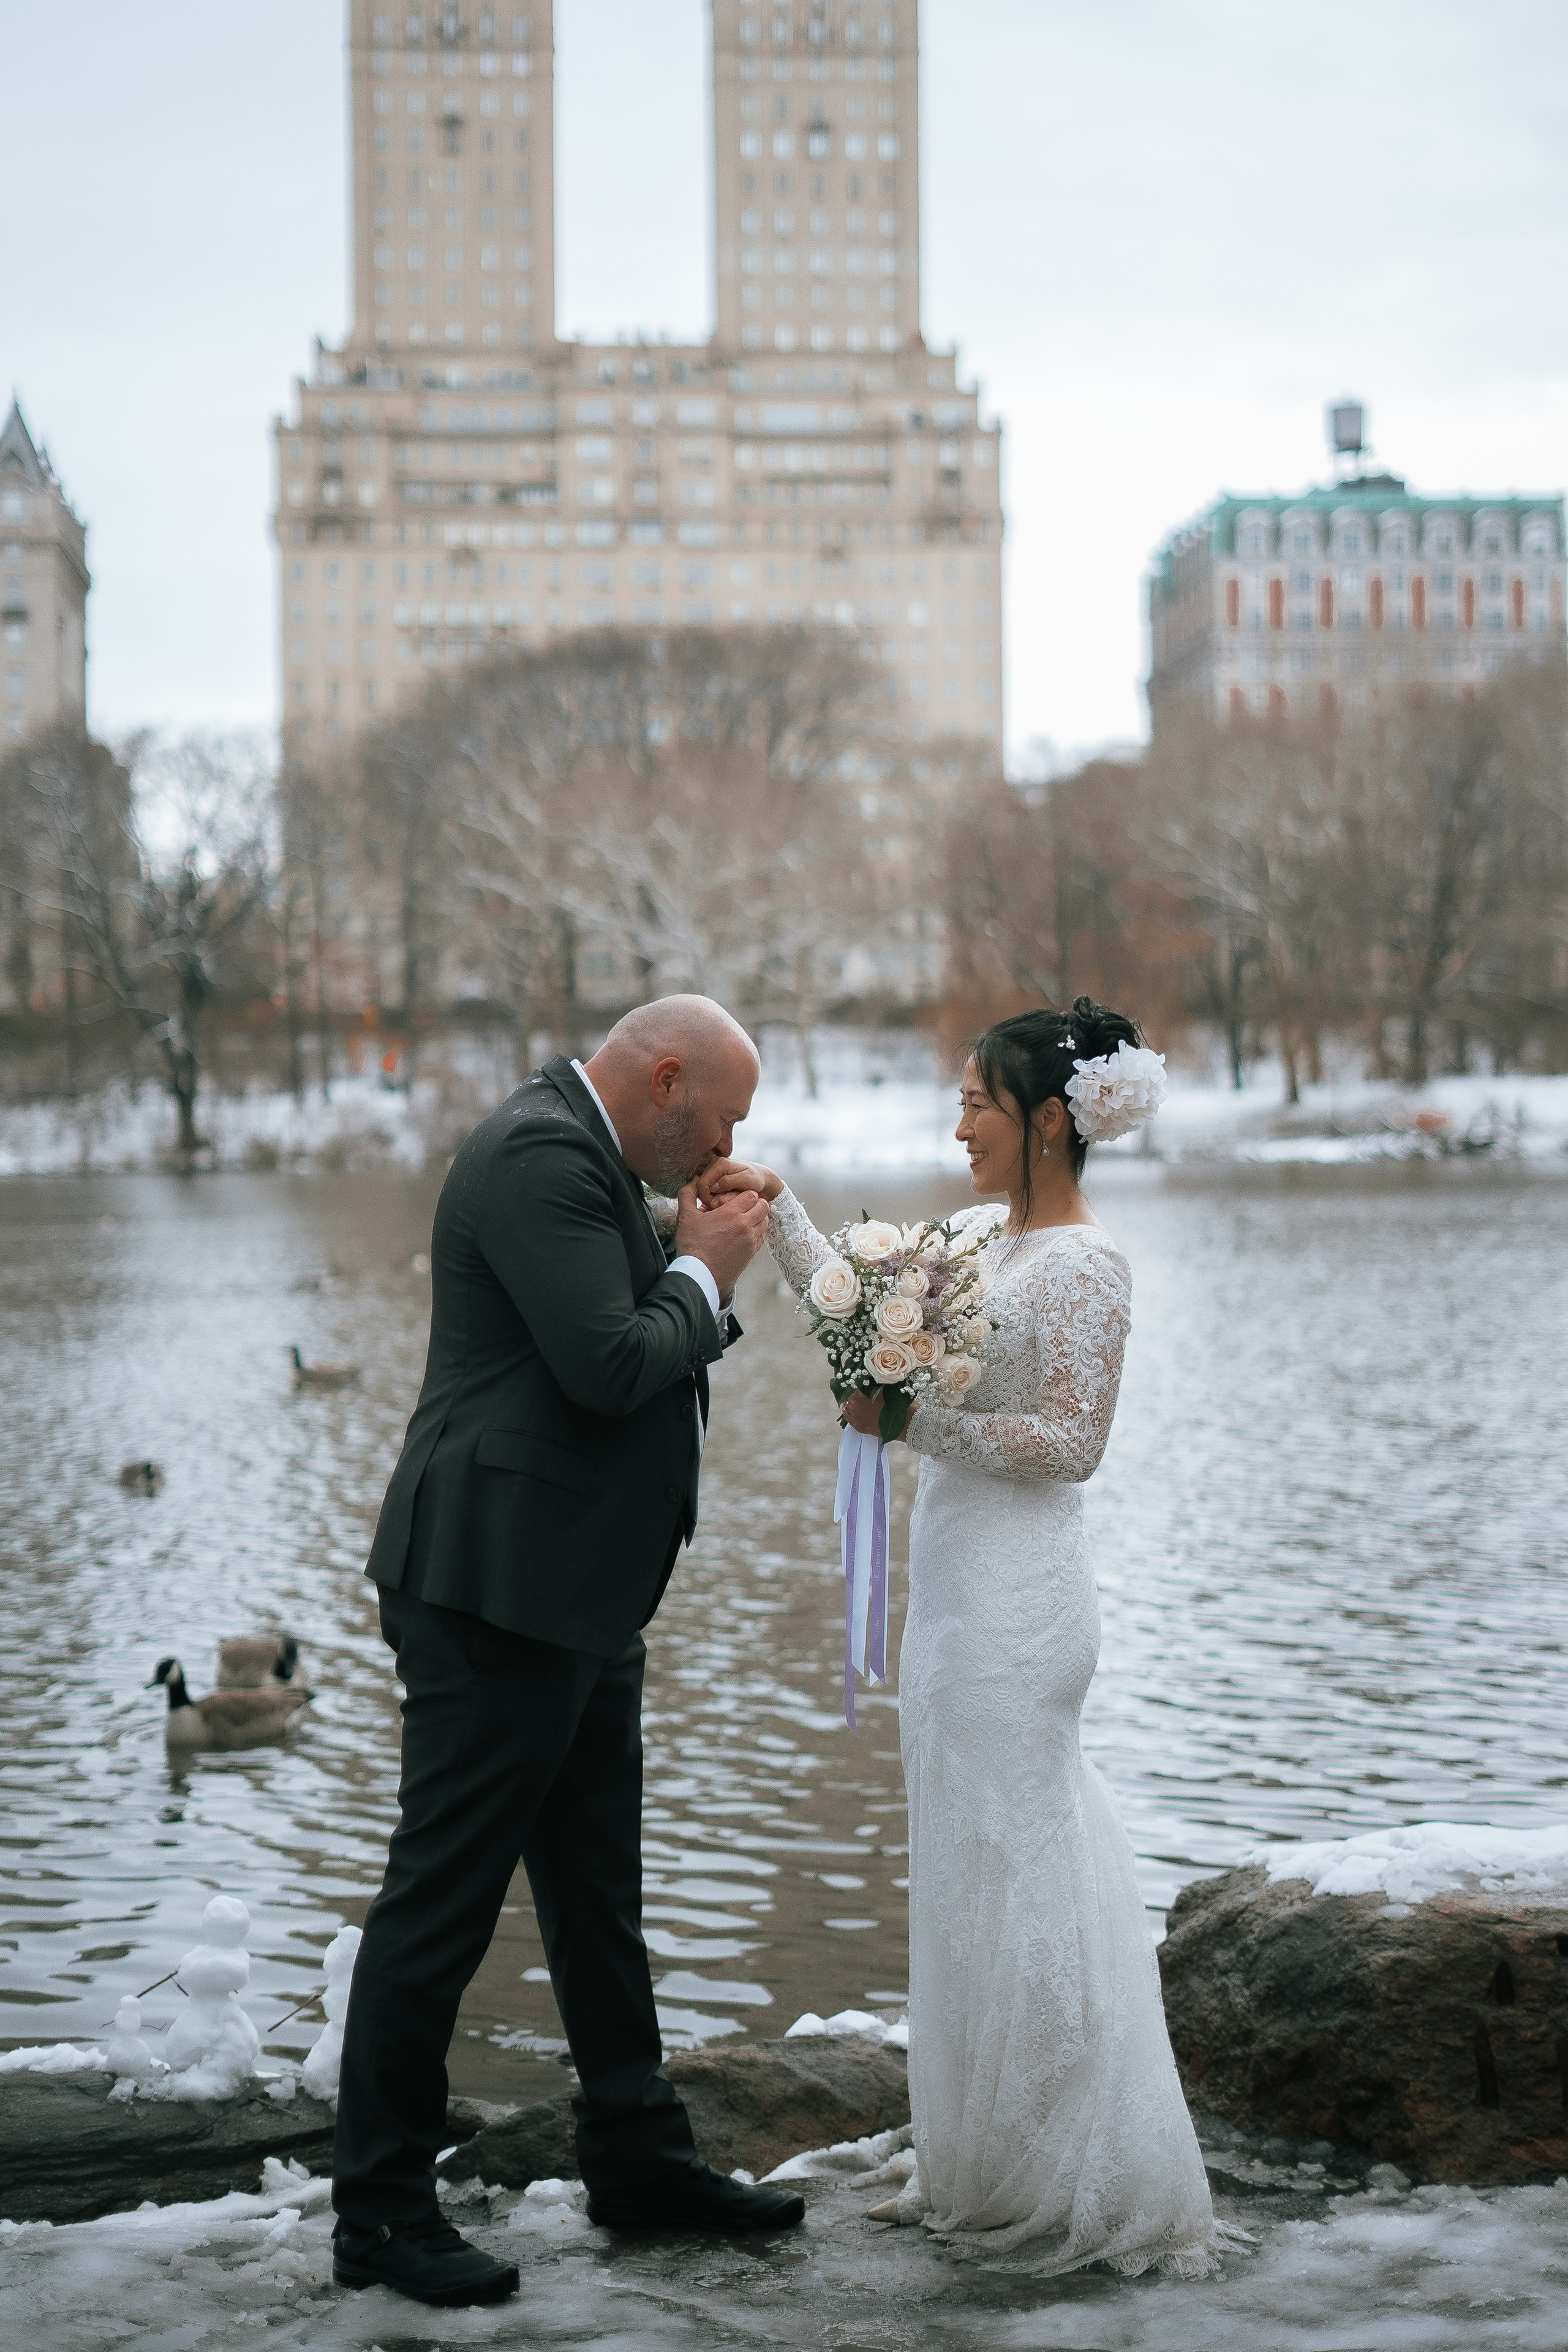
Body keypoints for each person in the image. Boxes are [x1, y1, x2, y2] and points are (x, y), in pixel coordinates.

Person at [706, 997, 1228, 2275]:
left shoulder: (1085, 1266)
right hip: (947, 1592)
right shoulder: (986, 1238)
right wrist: (778, 1217)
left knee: (1019, 1869)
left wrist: (908, 1428)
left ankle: (1063, 2165)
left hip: (1020, 1604)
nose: (957, 1128)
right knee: (955, 1870)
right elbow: (858, 1328)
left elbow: (1070, 1445)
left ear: (1047, 1120)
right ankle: (972, 2152)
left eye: (975, 1107)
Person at [331, 998, 806, 2311]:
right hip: (493, 1594)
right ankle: (376, 2215)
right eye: (723, 1112)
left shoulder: (590, 1161)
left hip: (576, 1597)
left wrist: (685, 1247)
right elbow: (608, 1364)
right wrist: (706, 1269)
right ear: (663, 1081)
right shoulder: (541, 1155)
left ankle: (637, 2163)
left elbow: (609, 1321)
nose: (731, 1137)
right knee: (441, 1904)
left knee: (597, 1900)